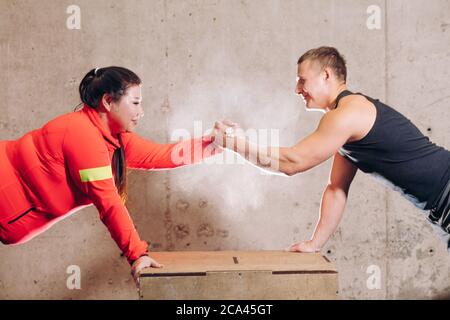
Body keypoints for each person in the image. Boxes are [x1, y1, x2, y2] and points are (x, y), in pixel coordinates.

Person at [213, 46, 450, 254]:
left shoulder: (347, 114)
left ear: (326, 74)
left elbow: (292, 162)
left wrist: (234, 143)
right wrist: (315, 243)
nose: (297, 89)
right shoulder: (346, 121)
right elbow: (336, 189)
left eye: (302, 80)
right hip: (440, 209)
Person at [0, 66, 219, 282]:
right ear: (108, 101)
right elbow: (108, 203)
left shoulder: (113, 139)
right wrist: (137, 254)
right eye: (135, 102)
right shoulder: (82, 136)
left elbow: (163, 155)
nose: (141, 111)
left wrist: (217, 143)